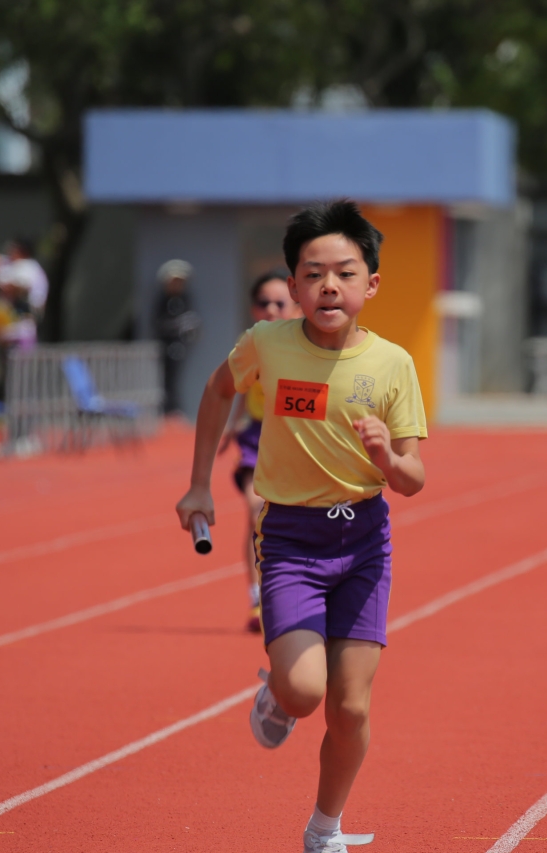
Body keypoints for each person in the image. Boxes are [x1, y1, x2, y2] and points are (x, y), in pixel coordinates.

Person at [175, 200, 426, 853]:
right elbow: (218, 391)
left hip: (364, 541)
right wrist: (200, 482)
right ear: (293, 285)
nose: (329, 286)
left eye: (344, 272)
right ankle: (280, 696)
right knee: (307, 690)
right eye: (313, 274)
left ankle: (324, 829)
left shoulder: (393, 363)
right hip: (291, 539)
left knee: (352, 706)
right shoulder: (268, 343)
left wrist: (386, 458)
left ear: (372, 282)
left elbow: (413, 478)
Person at [219, 269, 302, 633]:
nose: (270, 309)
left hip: (299, 440)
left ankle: (296, 594)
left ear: (297, 306)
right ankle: (257, 598)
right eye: (262, 302)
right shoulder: (251, 342)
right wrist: (231, 426)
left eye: (279, 303)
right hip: (257, 438)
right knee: (257, 513)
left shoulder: (311, 342)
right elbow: (238, 386)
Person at [154, 259, 201, 415]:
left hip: (181, 346)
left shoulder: (185, 300)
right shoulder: (163, 301)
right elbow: (159, 323)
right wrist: (177, 324)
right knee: (167, 379)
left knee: (176, 378)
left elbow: (192, 322)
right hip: (166, 347)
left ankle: (174, 408)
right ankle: (169, 409)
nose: (177, 286)